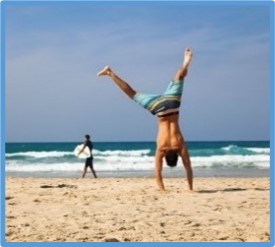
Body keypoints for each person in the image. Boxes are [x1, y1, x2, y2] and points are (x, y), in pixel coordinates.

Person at [97, 48, 193, 191]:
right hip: (158, 109)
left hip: (172, 104)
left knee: (179, 76)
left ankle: (185, 63)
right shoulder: (161, 149)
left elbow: (188, 168)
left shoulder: (179, 146)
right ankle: (110, 73)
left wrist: (191, 187)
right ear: (166, 156)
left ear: (177, 155)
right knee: (133, 94)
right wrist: (162, 189)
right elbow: (158, 172)